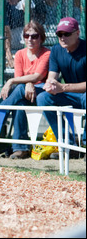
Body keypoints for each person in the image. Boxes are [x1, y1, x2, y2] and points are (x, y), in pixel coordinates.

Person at [0, 20, 51, 159]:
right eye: (27, 36)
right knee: (20, 102)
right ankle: (21, 148)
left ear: (41, 37)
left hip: (43, 92)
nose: (30, 39)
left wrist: (11, 81)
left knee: (18, 87)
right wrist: (27, 82)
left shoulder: (47, 53)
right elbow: (21, 76)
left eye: (34, 36)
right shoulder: (19, 54)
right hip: (25, 91)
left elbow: (39, 76)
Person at [36, 17, 86, 154]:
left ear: (77, 33)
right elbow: (52, 76)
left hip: (83, 95)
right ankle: (67, 144)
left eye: (67, 34)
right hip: (70, 96)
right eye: (59, 34)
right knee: (42, 98)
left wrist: (63, 87)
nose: (63, 37)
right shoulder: (56, 50)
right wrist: (50, 85)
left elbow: (63, 87)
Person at [4, 0, 47, 68]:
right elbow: (6, 29)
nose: (9, 1)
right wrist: (9, 57)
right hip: (13, 33)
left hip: (31, 30)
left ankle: (31, 60)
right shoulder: (4, 2)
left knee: (30, 35)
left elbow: (41, 20)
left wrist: (29, 12)